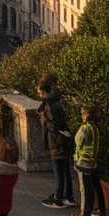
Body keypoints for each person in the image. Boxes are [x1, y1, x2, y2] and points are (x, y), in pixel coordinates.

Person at [38, 78, 77, 209]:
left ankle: (58, 199)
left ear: (45, 92)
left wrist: (48, 124)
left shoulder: (49, 104)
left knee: (58, 170)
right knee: (66, 169)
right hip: (65, 140)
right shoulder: (59, 101)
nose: (40, 96)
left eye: (41, 93)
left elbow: (54, 123)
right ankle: (69, 197)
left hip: (56, 141)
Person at [72, 106, 108, 216]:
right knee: (96, 187)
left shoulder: (85, 128)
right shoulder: (96, 128)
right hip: (94, 162)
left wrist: (76, 159)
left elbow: (78, 142)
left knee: (85, 189)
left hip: (84, 162)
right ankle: (101, 212)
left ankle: (85, 215)